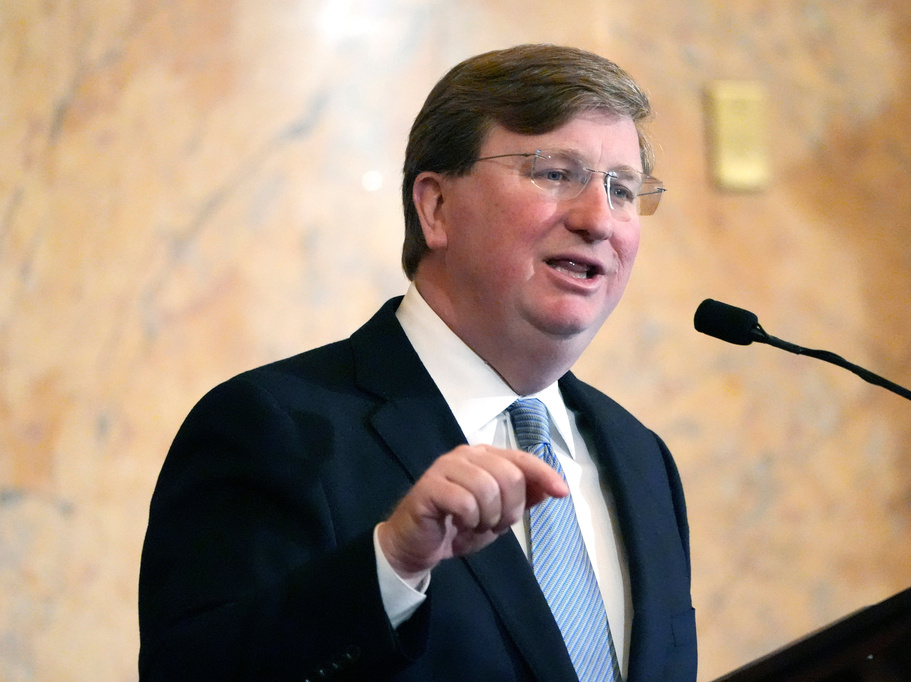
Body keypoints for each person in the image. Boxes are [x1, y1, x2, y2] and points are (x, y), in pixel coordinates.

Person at [139, 44, 696, 681]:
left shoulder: (641, 458)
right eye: (554, 173)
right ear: (434, 207)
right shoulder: (275, 427)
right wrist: (389, 568)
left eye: (622, 190)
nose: (598, 218)